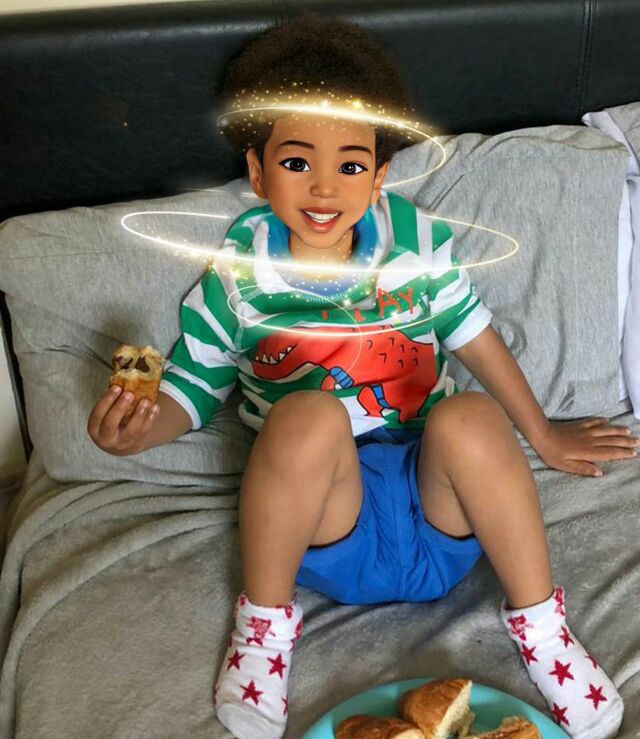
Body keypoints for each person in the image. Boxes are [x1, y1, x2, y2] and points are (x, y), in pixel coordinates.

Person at [87, 11, 633, 739]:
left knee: (471, 414)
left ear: (378, 175)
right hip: (326, 530)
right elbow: (191, 385)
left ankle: (543, 633)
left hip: (439, 520)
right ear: (257, 171)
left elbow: (473, 335)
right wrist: (137, 428)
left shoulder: (415, 246)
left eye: (349, 166)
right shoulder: (239, 278)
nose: (323, 188)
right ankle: (263, 632)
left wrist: (544, 435)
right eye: (296, 163)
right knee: (307, 413)